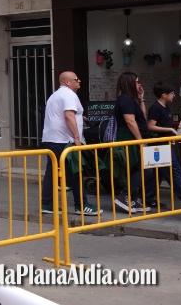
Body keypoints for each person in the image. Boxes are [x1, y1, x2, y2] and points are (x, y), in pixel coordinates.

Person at [40, 72, 100, 216]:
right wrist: (77, 138)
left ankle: (47, 204)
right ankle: (82, 205)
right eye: (76, 79)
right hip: (64, 140)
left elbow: (67, 115)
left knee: (52, 172)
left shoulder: (55, 95)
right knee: (75, 172)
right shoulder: (68, 94)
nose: (79, 81)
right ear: (67, 82)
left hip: (52, 139)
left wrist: (81, 117)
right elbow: (68, 115)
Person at [111, 72, 155, 214]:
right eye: (136, 82)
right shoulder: (125, 100)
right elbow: (130, 121)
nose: (139, 84)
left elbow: (142, 116)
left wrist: (141, 99)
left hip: (134, 137)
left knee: (143, 168)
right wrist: (140, 140)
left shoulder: (131, 99)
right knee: (140, 167)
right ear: (129, 83)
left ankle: (133, 198)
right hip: (129, 138)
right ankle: (126, 195)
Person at [146, 82, 181, 208]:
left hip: (164, 144)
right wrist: (170, 130)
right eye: (172, 93)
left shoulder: (166, 107)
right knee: (175, 173)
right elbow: (151, 126)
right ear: (164, 95)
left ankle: (148, 198)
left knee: (157, 174)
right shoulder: (155, 108)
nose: (174, 96)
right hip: (160, 146)